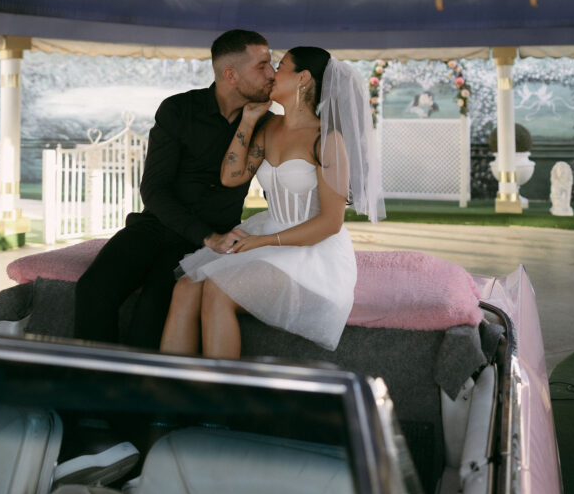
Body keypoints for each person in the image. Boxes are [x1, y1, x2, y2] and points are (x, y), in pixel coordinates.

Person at [159, 47, 384, 359]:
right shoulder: (269, 128)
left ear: (303, 78)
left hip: (311, 253)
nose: (271, 74)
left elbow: (331, 223)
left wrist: (261, 241)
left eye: (280, 66)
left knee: (218, 289)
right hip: (267, 236)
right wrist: (248, 121)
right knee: (185, 288)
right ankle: (167, 396)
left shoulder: (327, 139)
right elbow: (231, 176)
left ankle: (220, 401)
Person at [73, 29, 276, 349]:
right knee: (94, 288)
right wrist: (207, 236)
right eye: (262, 66)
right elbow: (153, 188)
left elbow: (281, 184)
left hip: (209, 243)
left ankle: (139, 395)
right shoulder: (178, 109)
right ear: (230, 75)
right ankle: (87, 392)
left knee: (153, 310)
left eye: (272, 65)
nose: (272, 74)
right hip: (158, 226)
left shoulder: (267, 123)